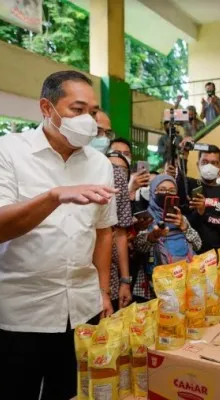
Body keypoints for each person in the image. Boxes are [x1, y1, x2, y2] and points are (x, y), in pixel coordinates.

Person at [0, 70, 119, 400]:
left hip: (82, 309)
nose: (89, 120)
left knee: (71, 392)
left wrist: (102, 291)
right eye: (77, 109)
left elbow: (103, 232)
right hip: (20, 312)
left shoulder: (100, 163)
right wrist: (54, 196)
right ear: (46, 107)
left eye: (93, 111)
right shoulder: (4, 152)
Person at [133, 174, 201, 297]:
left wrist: (184, 227)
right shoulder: (146, 218)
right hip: (156, 285)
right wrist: (152, 237)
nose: (166, 193)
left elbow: (198, 245)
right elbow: (138, 247)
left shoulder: (181, 218)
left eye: (171, 190)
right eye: (162, 189)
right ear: (153, 192)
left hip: (184, 279)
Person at [95, 111, 134, 312]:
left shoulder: (115, 175)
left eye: (106, 133)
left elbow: (119, 234)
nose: (102, 138)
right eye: (97, 131)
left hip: (105, 275)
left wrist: (125, 280)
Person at [177, 140, 220, 253]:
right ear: (197, 164)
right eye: (204, 162)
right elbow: (179, 178)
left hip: (213, 252)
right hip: (188, 251)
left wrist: (204, 213)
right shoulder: (189, 184)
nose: (209, 166)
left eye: (214, 163)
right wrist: (183, 155)